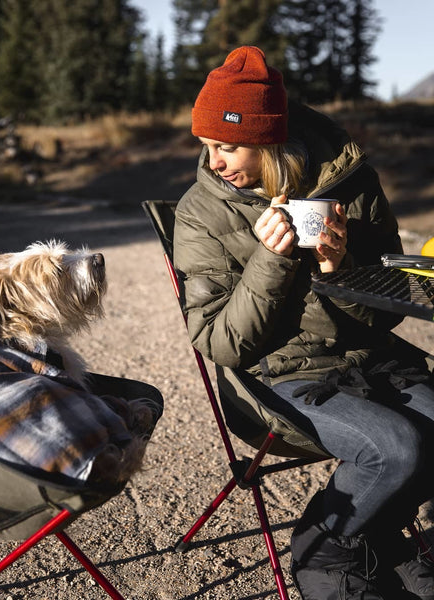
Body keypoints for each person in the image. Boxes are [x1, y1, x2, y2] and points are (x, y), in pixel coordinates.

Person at [173, 45, 434, 600]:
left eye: (227, 146)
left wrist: (342, 268)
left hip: (367, 359)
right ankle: (326, 548)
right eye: (207, 146)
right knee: (398, 447)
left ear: (271, 141)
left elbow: (383, 314)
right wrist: (272, 260)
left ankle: (382, 539)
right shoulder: (201, 211)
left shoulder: (352, 184)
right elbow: (220, 343)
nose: (213, 162)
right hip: (277, 376)